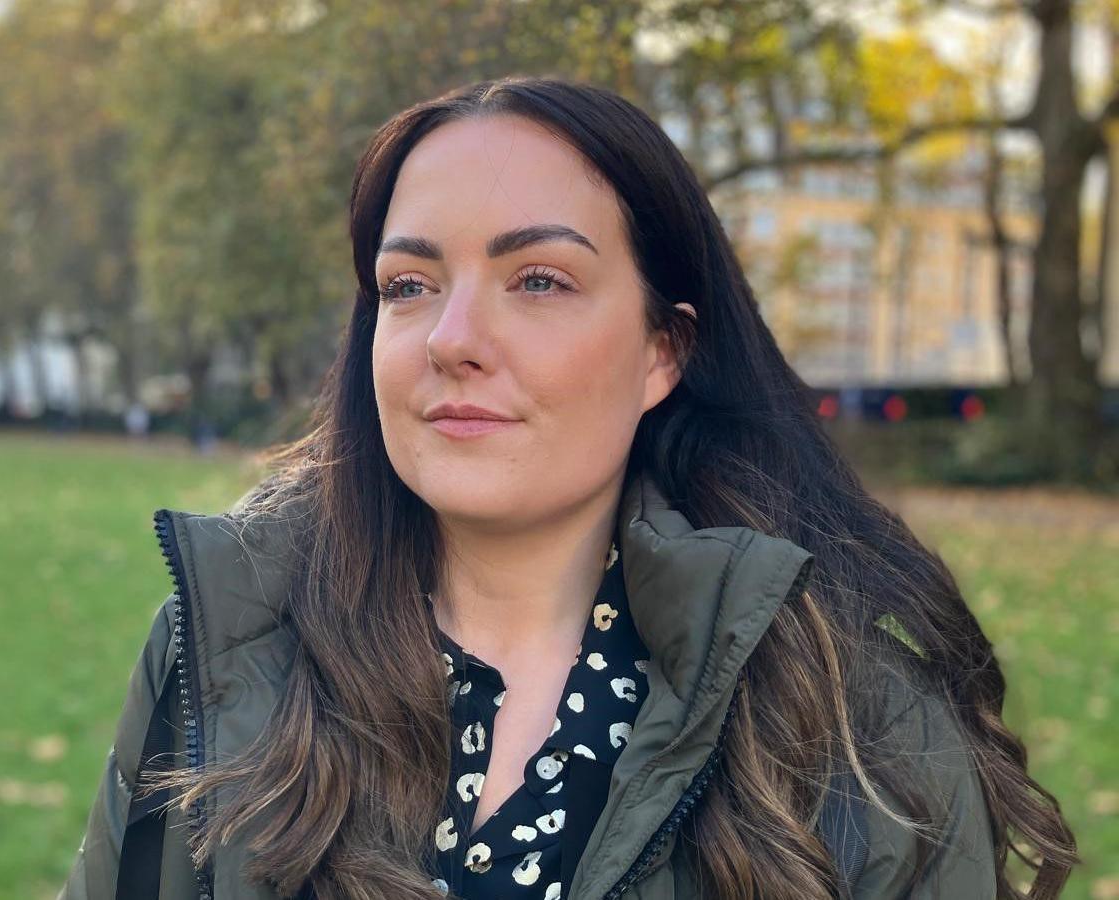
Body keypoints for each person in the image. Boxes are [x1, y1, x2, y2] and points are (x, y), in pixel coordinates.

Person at [59, 78, 1076, 900]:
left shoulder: (859, 725)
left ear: (661, 351)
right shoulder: (225, 650)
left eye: (537, 279)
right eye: (408, 287)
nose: (451, 339)